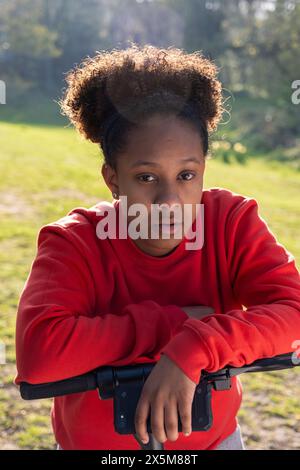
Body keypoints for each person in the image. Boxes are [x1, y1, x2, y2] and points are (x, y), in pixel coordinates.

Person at [15, 43, 300, 450]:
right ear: (113, 179)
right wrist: (171, 324)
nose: (170, 200)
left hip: (213, 443)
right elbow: (40, 355)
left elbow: (294, 315)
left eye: (187, 175)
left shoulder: (231, 222)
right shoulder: (74, 241)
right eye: (147, 178)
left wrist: (196, 345)